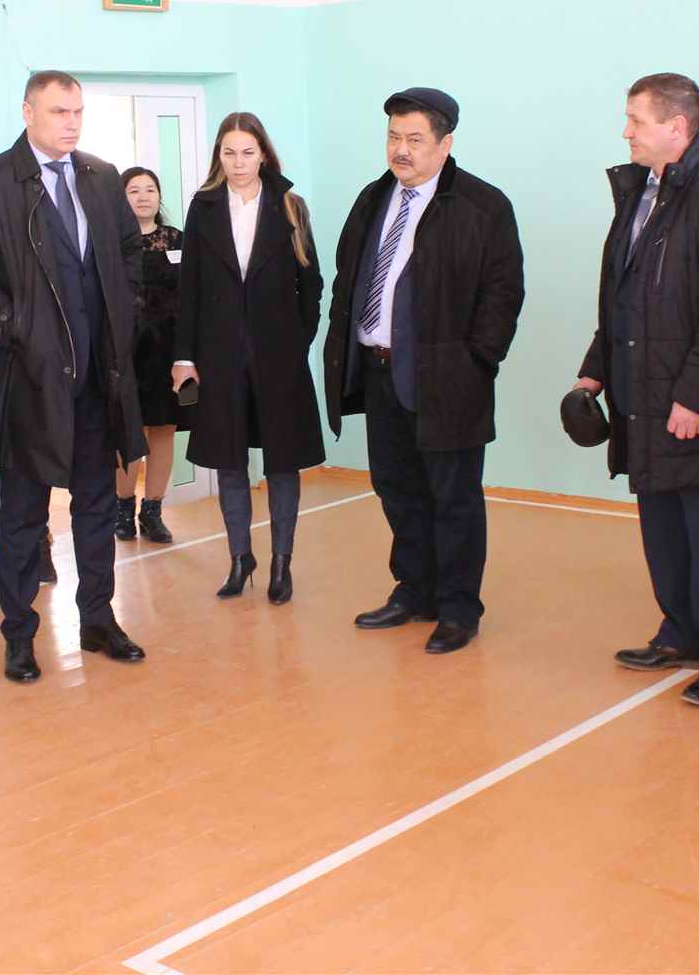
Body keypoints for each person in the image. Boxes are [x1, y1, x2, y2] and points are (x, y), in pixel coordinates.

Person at [0, 70, 150, 682]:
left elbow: (129, 252)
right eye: (60, 111)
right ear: (28, 112)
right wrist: (15, 326)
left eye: (78, 112)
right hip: (33, 381)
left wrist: (126, 312)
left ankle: (98, 619)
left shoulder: (101, 177)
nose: (72, 123)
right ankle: (19, 635)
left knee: (97, 504)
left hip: (99, 378)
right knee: (23, 515)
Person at [576, 74, 699, 704]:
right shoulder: (641, 192)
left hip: (691, 404)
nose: (625, 132)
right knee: (662, 528)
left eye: (636, 120)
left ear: (676, 127)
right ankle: (679, 631)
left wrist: (695, 397)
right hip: (641, 397)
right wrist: (595, 369)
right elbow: (621, 298)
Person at [324, 87, 524, 654]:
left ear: (445, 143)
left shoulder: (483, 205)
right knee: (397, 488)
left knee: (453, 496)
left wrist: (477, 360)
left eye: (414, 139)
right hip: (380, 370)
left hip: (448, 377)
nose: (401, 150)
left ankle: (458, 608)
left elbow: (504, 293)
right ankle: (415, 590)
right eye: (393, 137)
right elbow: (349, 276)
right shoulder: (373, 198)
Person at [171, 114, 323, 605]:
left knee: (283, 460)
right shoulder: (203, 207)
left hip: (279, 355)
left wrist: (296, 342)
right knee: (229, 459)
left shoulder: (290, 206)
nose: (238, 163)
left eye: (247, 153)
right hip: (218, 354)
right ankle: (240, 558)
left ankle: (281, 563)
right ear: (219, 155)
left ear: (263, 154)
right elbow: (189, 288)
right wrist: (184, 356)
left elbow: (311, 285)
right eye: (229, 153)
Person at [116, 166, 187, 545]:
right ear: (121, 197)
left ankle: (153, 512)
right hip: (125, 352)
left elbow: (192, 297)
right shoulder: (111, 242)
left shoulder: (178, 240)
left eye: (150, 189)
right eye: (134, 190)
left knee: (163, 431)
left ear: (159, 196)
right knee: (129, 431)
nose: (143, 196)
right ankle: (122, 509)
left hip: (169, 354)